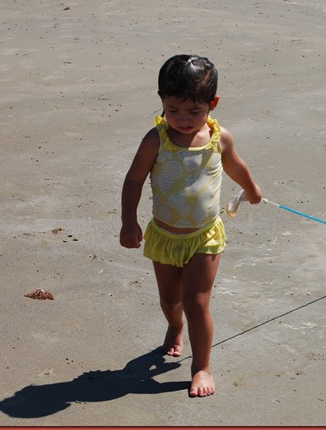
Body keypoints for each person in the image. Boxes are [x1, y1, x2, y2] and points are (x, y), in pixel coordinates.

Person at [119, 54, 262, 397]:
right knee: (170, 300)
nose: (183, 119)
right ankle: (174, 326)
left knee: (196, 302)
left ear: (212, 104)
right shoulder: (156, 140)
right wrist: (129, 221)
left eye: (193, 112)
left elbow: (235, 165)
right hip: (165, 236)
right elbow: (134, 179)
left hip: (204, 237)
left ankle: (201, 367)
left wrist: (252, 189)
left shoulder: (219, 137)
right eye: (173, 110)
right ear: (162, 101)